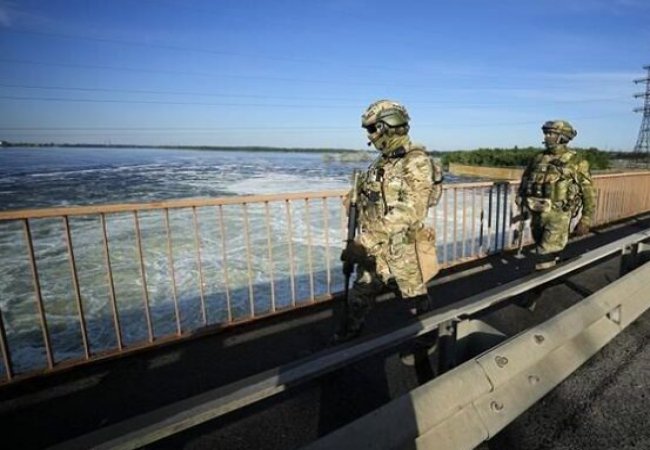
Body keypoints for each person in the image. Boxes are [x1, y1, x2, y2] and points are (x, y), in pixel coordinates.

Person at [333, 99, 442, 346]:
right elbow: (370, 198)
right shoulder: (382, 162)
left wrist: (364, 241)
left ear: (388, 125)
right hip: (375, 250)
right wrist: (355, 198)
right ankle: (346, 339)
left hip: (402, 251)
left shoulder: (415, 161)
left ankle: (427, 340)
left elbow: (412, 210)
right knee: (358, 297)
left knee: (415, 301)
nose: (370, 136)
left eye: (373, 129)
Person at [517, 120, 596, 271]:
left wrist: (586, 219)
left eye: (551, 134)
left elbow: (589, 193)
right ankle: (555, 269)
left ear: (563, 137)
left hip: (559, 216)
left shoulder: (576, 161)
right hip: (537, 213)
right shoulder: (538, 158)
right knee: (544, 247)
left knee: (544, 253)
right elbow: (526, 180)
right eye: (546, 133)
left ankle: (541, 282)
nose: (546, 137)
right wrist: (521, 198)